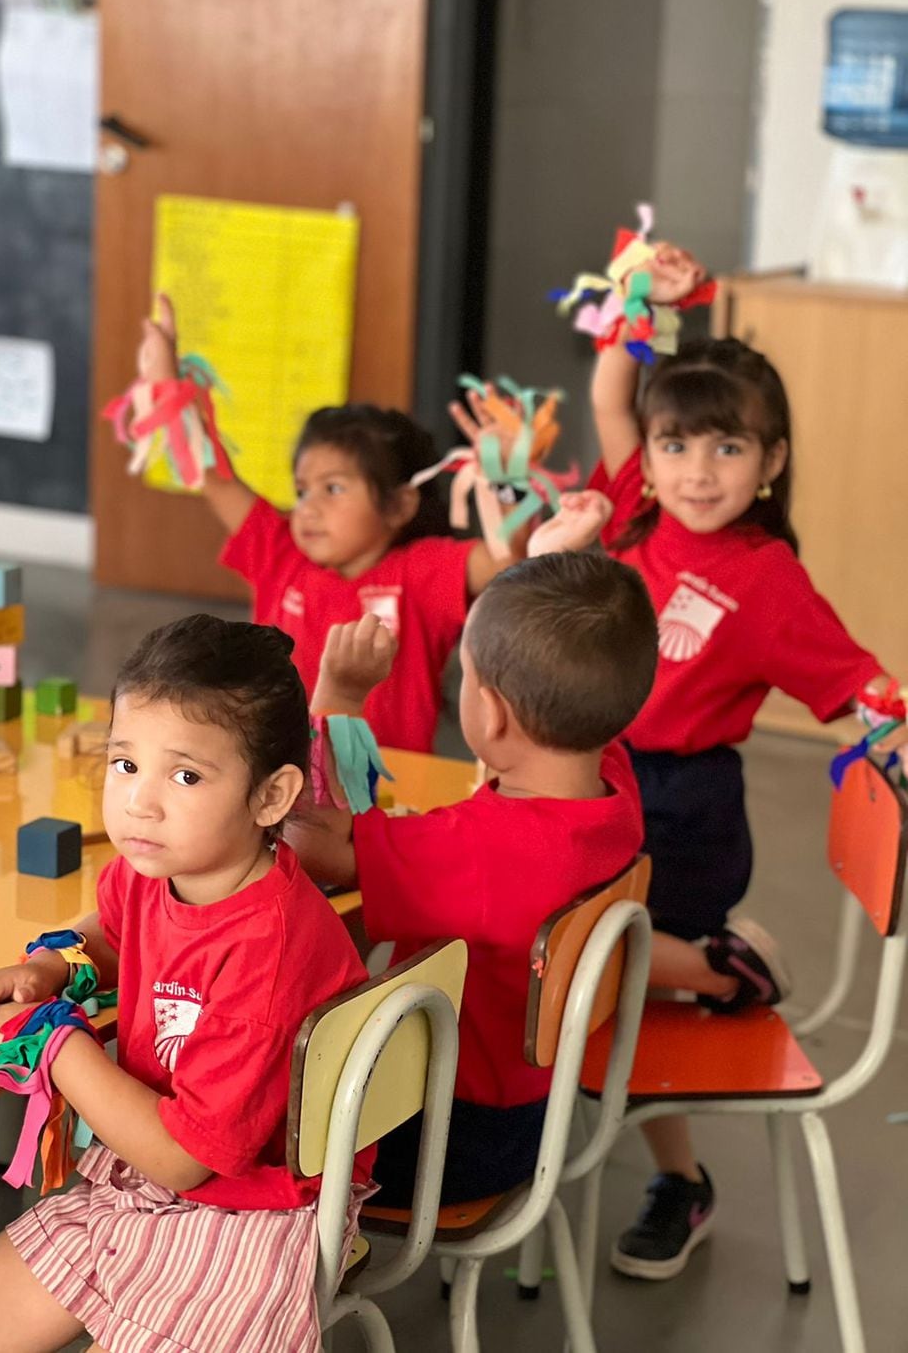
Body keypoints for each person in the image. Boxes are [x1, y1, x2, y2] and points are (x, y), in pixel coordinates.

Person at [0, 615, 373, 1353]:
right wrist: (48, 966)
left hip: (246, 1223)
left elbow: (184, 1157)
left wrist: (54, 1038)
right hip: (132, 1190)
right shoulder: (169, 865)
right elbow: (110, 930)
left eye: (184, 775)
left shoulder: (265, 955)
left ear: (272, 797)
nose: (140, 802)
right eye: (124, 764)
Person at [585, 240, 908, 1280]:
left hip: (686, 805)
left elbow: (861, 683)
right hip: (603, 774)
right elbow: (609, 388)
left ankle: (691, 1130)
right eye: (678, 443)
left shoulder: (768, 578)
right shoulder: (638, 501)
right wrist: (634, 295)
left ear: (771, 461)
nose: (696, 470)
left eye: (728, 449)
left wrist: (892, 727)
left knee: (607, 969)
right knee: (575, 961)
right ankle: (705, 995)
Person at [288, 552, 658, 1204]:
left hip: (439, 1139)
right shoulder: (614, 788)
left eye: (463, 674)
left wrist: (339, 695)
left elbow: (314, 845)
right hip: (534, 1112)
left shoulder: (475, 851)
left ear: (489, 715)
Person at [135, 296, 608, 753]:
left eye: (334, 488)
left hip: (389, 789)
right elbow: (214, 479)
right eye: (302, 490)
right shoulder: (280, 553)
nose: (309, 508)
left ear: (399, 506)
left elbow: (509, 561)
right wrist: (166, 385)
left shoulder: (422, 571)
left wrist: (505, 478)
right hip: (281, 772)